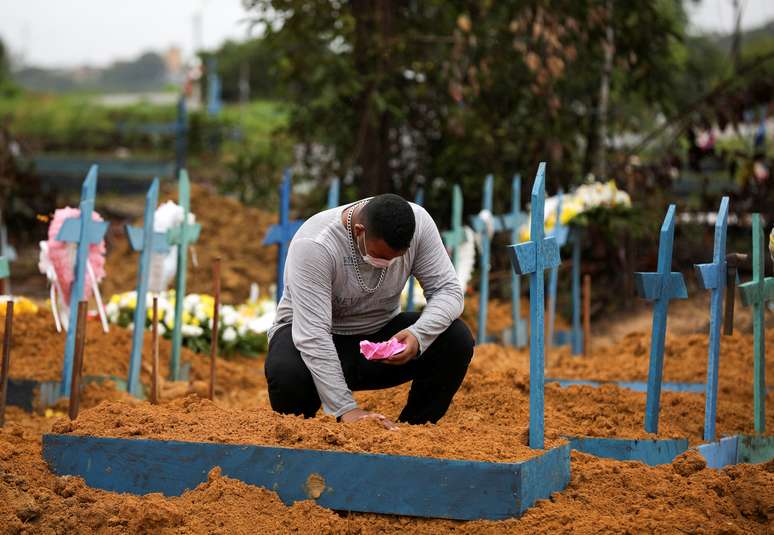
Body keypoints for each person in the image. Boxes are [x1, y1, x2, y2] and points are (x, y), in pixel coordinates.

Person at [265, 193, 474, 430]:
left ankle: (412, 433)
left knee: (455, 338)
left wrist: (419, 334)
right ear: (359, 231)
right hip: (312, 341)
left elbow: (449, 291)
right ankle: (301, 438)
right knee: (286, 372)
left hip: (377, 339)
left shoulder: (420, 225)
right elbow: (313, 335)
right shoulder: (315, 245)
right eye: (380, 256)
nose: (389, 263)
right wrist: (347, 410)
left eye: (398, 257)